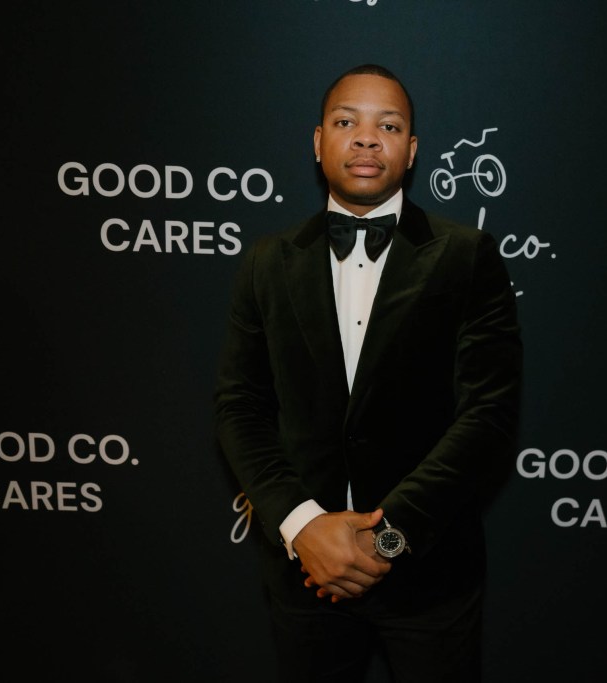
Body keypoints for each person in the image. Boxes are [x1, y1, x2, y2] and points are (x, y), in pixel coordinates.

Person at [214, 63, 522, 683]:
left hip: (430, 575)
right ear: (318, 141)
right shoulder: (266, 262)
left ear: (411, 150)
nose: (365, 138)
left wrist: (387, 538)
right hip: (305, 576)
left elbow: (487, 413)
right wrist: (304, 527)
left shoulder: (467, 256)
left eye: (389, 125)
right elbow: (240, 407)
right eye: (345, 122)